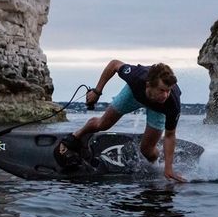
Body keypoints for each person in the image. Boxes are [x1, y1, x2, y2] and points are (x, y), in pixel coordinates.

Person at [56, 60, 186, 182]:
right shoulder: (136, 77)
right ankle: (74, 137)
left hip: (158, 109)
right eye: (162, 90)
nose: (165, 95)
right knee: (103, 124)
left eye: (168, 91)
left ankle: (160, 159)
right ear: (148, 85)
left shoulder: (172, 103)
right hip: (133, 95)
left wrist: (168, 167)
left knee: (147, 151)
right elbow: (114, 64)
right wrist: (97, 91)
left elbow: (169, 135)